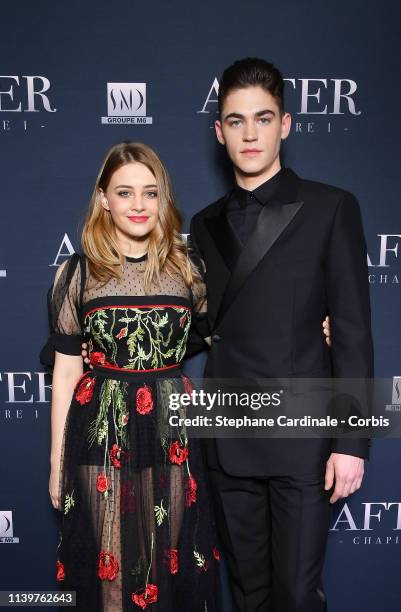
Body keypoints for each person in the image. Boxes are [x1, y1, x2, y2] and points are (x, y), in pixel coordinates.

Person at [188, 58, 374, 612]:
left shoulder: (331, 207)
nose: (250, 134)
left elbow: (354, 330)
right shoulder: (203, 223)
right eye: (236, 121)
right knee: (247, 595)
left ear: (286, 125)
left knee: (295, 595)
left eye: (263, 119)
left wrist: (352, 443)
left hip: (303, 436)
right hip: (226, 432)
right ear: (219, 132)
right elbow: (206, 324)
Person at [41, 142, 220, 611]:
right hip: (101, 428)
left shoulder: (188, 269)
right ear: (104, 199)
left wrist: (316, 326)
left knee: (169, 567)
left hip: (173, 429)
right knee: (112, 575)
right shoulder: (76, 274)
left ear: (163, 199)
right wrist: (57, 463)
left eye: (150, 192)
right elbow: (64, 374)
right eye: (125, 192)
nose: (138, 205)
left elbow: (229, 332)